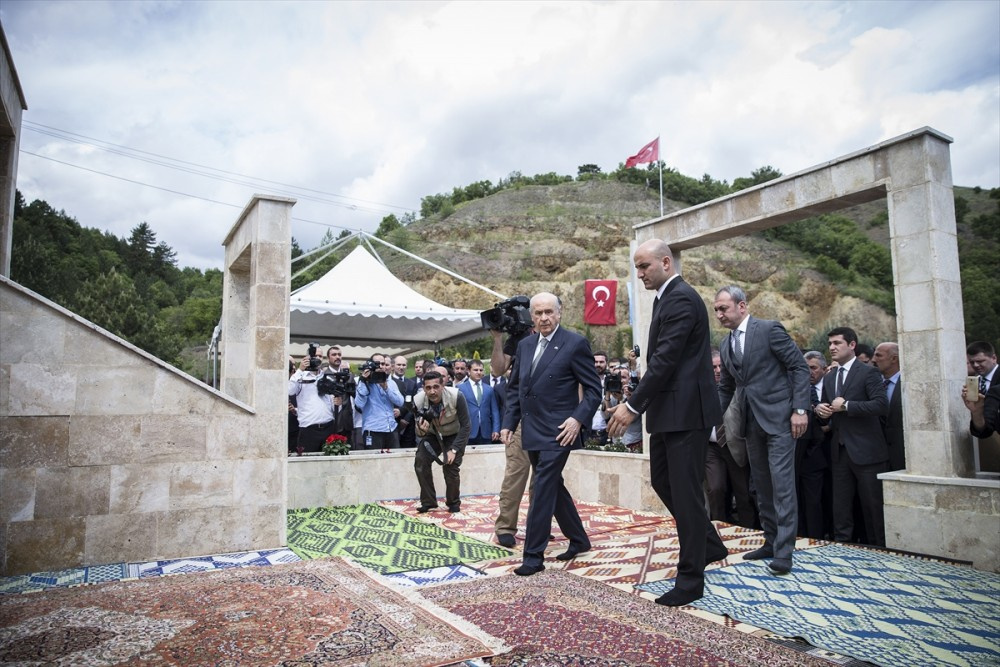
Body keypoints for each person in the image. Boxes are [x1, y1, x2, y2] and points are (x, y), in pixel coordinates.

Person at [607, 239, 726, 606]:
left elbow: (666, 360)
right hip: (668, 414)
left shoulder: (681, 298)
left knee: (688, 496)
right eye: (636, 268)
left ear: (665, 262)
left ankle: (691, 580)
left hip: (686, 414)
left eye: (644, 267)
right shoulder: (666, 298)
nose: (639, 274)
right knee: (662, 480)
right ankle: (707, 542)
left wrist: (632, 405)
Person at [501, 292, 602, 575]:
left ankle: (533, 556)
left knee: (543, 487)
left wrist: (578, 419)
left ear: (559, 313)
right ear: (531, 316)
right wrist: (509, 422)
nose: (544, 318)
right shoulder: (525, 345)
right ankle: (579, 540)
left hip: (561, 431)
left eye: (549, 312)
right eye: (538, 313)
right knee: (553, 485)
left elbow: (594, 389)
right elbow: (515, 387)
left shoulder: (575, 343)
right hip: (532, 428)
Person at [713, 285, 809, 575]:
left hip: (781, 420)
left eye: (723, 308)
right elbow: (726, 388)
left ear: (742, 306)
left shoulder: (768, 330)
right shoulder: (727, 345)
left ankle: (784, 552)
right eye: (716, 310)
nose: (719, 314)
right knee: (762, 487)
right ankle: (770, 541)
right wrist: (709, 418)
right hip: (750, 424)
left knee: (782, 486)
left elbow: (798, 367)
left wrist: (800, 410)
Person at [815, 327, 889, 547]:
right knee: (841, 508)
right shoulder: (830, 378)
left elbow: (880, 405)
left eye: (837, 343)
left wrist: (847, 405)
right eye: (830, 344)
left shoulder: (869, 372)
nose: (832, 348)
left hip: (868, 452)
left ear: (852, 345)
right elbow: (829, 414)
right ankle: (842, 551)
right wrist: (821, 411)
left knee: (873, 508)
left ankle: (880, 551)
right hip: (839, 452)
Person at [490, 326, 534, 548]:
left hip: (549, 417)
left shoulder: (561, 340)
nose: (542, 317)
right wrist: (498, 339)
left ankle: (538, 524)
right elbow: (498, 370)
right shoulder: (516, 340)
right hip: (520, 418)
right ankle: (506, 527)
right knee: (516, 473)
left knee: (543, 478)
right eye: (537, 313)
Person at [704, 348, 756, 529]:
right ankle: (719, 528)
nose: (718, 371)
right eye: (714, 367)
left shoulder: (738, 388)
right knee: (716, 488)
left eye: (721, 367)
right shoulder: (700, 388)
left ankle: (748, 530)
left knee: (743, 492)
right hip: (711, 448)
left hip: (736, 445)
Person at [413, 370, 471, 513]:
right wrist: (421, 429)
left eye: (436, 387)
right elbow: (418, 432)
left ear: (443, 385)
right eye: (428, 388)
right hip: (432, 435)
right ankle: (429, 502)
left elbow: (466, 426)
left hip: (454, 434)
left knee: (450, 467)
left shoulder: (457, 396)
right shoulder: (418, 400)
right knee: (420, 461)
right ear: (424, 388)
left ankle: (453, 502)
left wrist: (454, 449)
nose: (432, 391)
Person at [354, 353, 404, 450]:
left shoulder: (391, 382)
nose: (381, 367)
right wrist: (364, 381)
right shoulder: (364, 382)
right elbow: (359, 404)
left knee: (394, 462)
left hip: (391, 428)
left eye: (383, 364)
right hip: (373, 430)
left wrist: (386, 388)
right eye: (377, 364)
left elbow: (400, 402)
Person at [873, 342, 905, 471]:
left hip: (902, 453)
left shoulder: (909, 383)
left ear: (894, 359)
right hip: (876, 455)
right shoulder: (872, 383)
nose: (874, 360)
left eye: (878, 355)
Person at [458, 360, 501, 445]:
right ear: (468, 371)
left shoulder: (489, 389)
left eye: (481, 370)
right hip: (467, 432)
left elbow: (495, 411)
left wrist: (496, 429)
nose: (478, 372)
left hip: (486, 432)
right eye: (475, 370)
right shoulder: (460, 388)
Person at [391, 355, 417, 448]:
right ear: (393, 366)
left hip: (408, 424)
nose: (401, 367)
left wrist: (404, 417)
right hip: (391, 422)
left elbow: (414, 403)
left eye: (403, 365)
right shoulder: (388, 382)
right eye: (398, 365)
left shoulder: (412, 383)